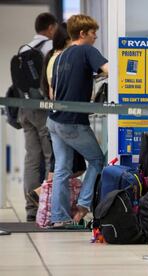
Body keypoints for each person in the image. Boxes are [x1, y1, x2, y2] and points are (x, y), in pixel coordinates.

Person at [47, 14, 108, 227]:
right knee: (97, 160)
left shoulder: (60, 57)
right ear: (82, 34)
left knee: (62, 169)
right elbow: (111, 71)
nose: (95, 38)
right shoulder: (87, 50)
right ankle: (83, 205)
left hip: (54, 120)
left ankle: (59, 218)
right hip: (73, 121)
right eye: (93, 33)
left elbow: (54, 90)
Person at [26, 23, 85, 208]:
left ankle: (50, 200)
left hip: (51, 114)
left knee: (56, 162)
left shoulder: (51, 56)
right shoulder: (60, 57)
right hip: (63, 117)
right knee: (63, 164)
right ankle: (46, 195)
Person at [19, 13, 58, 221]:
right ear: (51, 28)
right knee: (49, 157)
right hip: (43, 108)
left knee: (31, 159)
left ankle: (30, 209)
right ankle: (46, 206)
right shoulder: (48, 48)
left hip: (24, 108)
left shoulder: (24, 49)